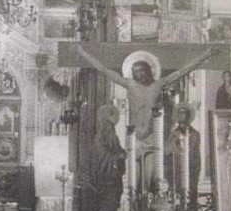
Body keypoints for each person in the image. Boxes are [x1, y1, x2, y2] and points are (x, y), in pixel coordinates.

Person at [77, 45, 219, 142]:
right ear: (132, 73)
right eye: (136, 71)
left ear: (149, 70)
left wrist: (206, 55)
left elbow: (182, 71)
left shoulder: (158, 84)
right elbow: (103, 69)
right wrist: (82, 53)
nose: (140, 74)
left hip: (154, 134)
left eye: (143, 70)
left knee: (152, 172)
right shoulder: (129, 84)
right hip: (134, 134)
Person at [81, 104, 127, 211]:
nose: (111, 128)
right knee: (106, 207)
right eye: (109, 124)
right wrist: (117, 157)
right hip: (105, 179)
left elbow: (117, 150)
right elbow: (102, 157)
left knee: (111, 208)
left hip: (113, 179)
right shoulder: (100, 138)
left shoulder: (112, 136)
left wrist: (122, 154)